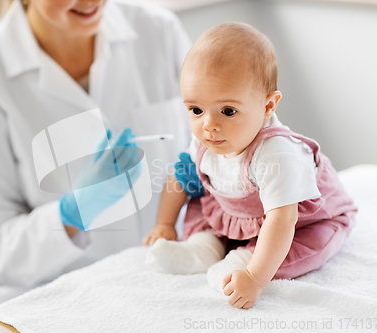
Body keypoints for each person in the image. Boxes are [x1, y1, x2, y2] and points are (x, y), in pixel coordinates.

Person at [0, 0, 191, 315]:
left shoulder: (159, 32)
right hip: (52, 304)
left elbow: (222, 150)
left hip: (165, 285)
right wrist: (71, 216)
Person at [142, 22, 357, 309]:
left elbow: (282, 221)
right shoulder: (207, 141)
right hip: (237, 215)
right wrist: (164, 224)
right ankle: (204, 246)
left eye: (227, 111)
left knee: (310, 246)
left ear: (268, 106)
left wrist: (254, 278)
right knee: (198, 200)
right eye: (196, 110)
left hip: (301, 222)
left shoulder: (276, 154)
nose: (208, 125)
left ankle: (242, 260)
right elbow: (179, 178)